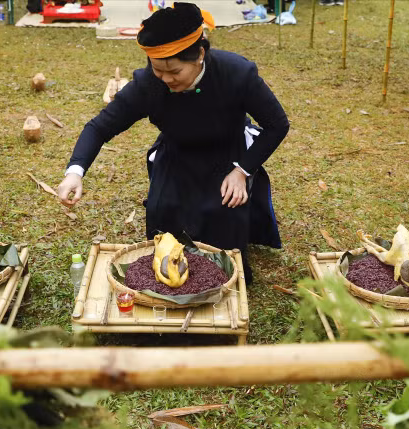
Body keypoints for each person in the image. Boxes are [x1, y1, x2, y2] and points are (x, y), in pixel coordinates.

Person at [55, 2, 289, 285]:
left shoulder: (237, 74)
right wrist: (74, 172)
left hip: (228, 156)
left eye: (175, 72)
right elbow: (99, 127)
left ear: (199, 55)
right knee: (164, 216)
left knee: (221, 218)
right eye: (158, 70)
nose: (166, 80)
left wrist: (242, 171)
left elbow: (277, 124)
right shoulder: (148, 84)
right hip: (176, 154)